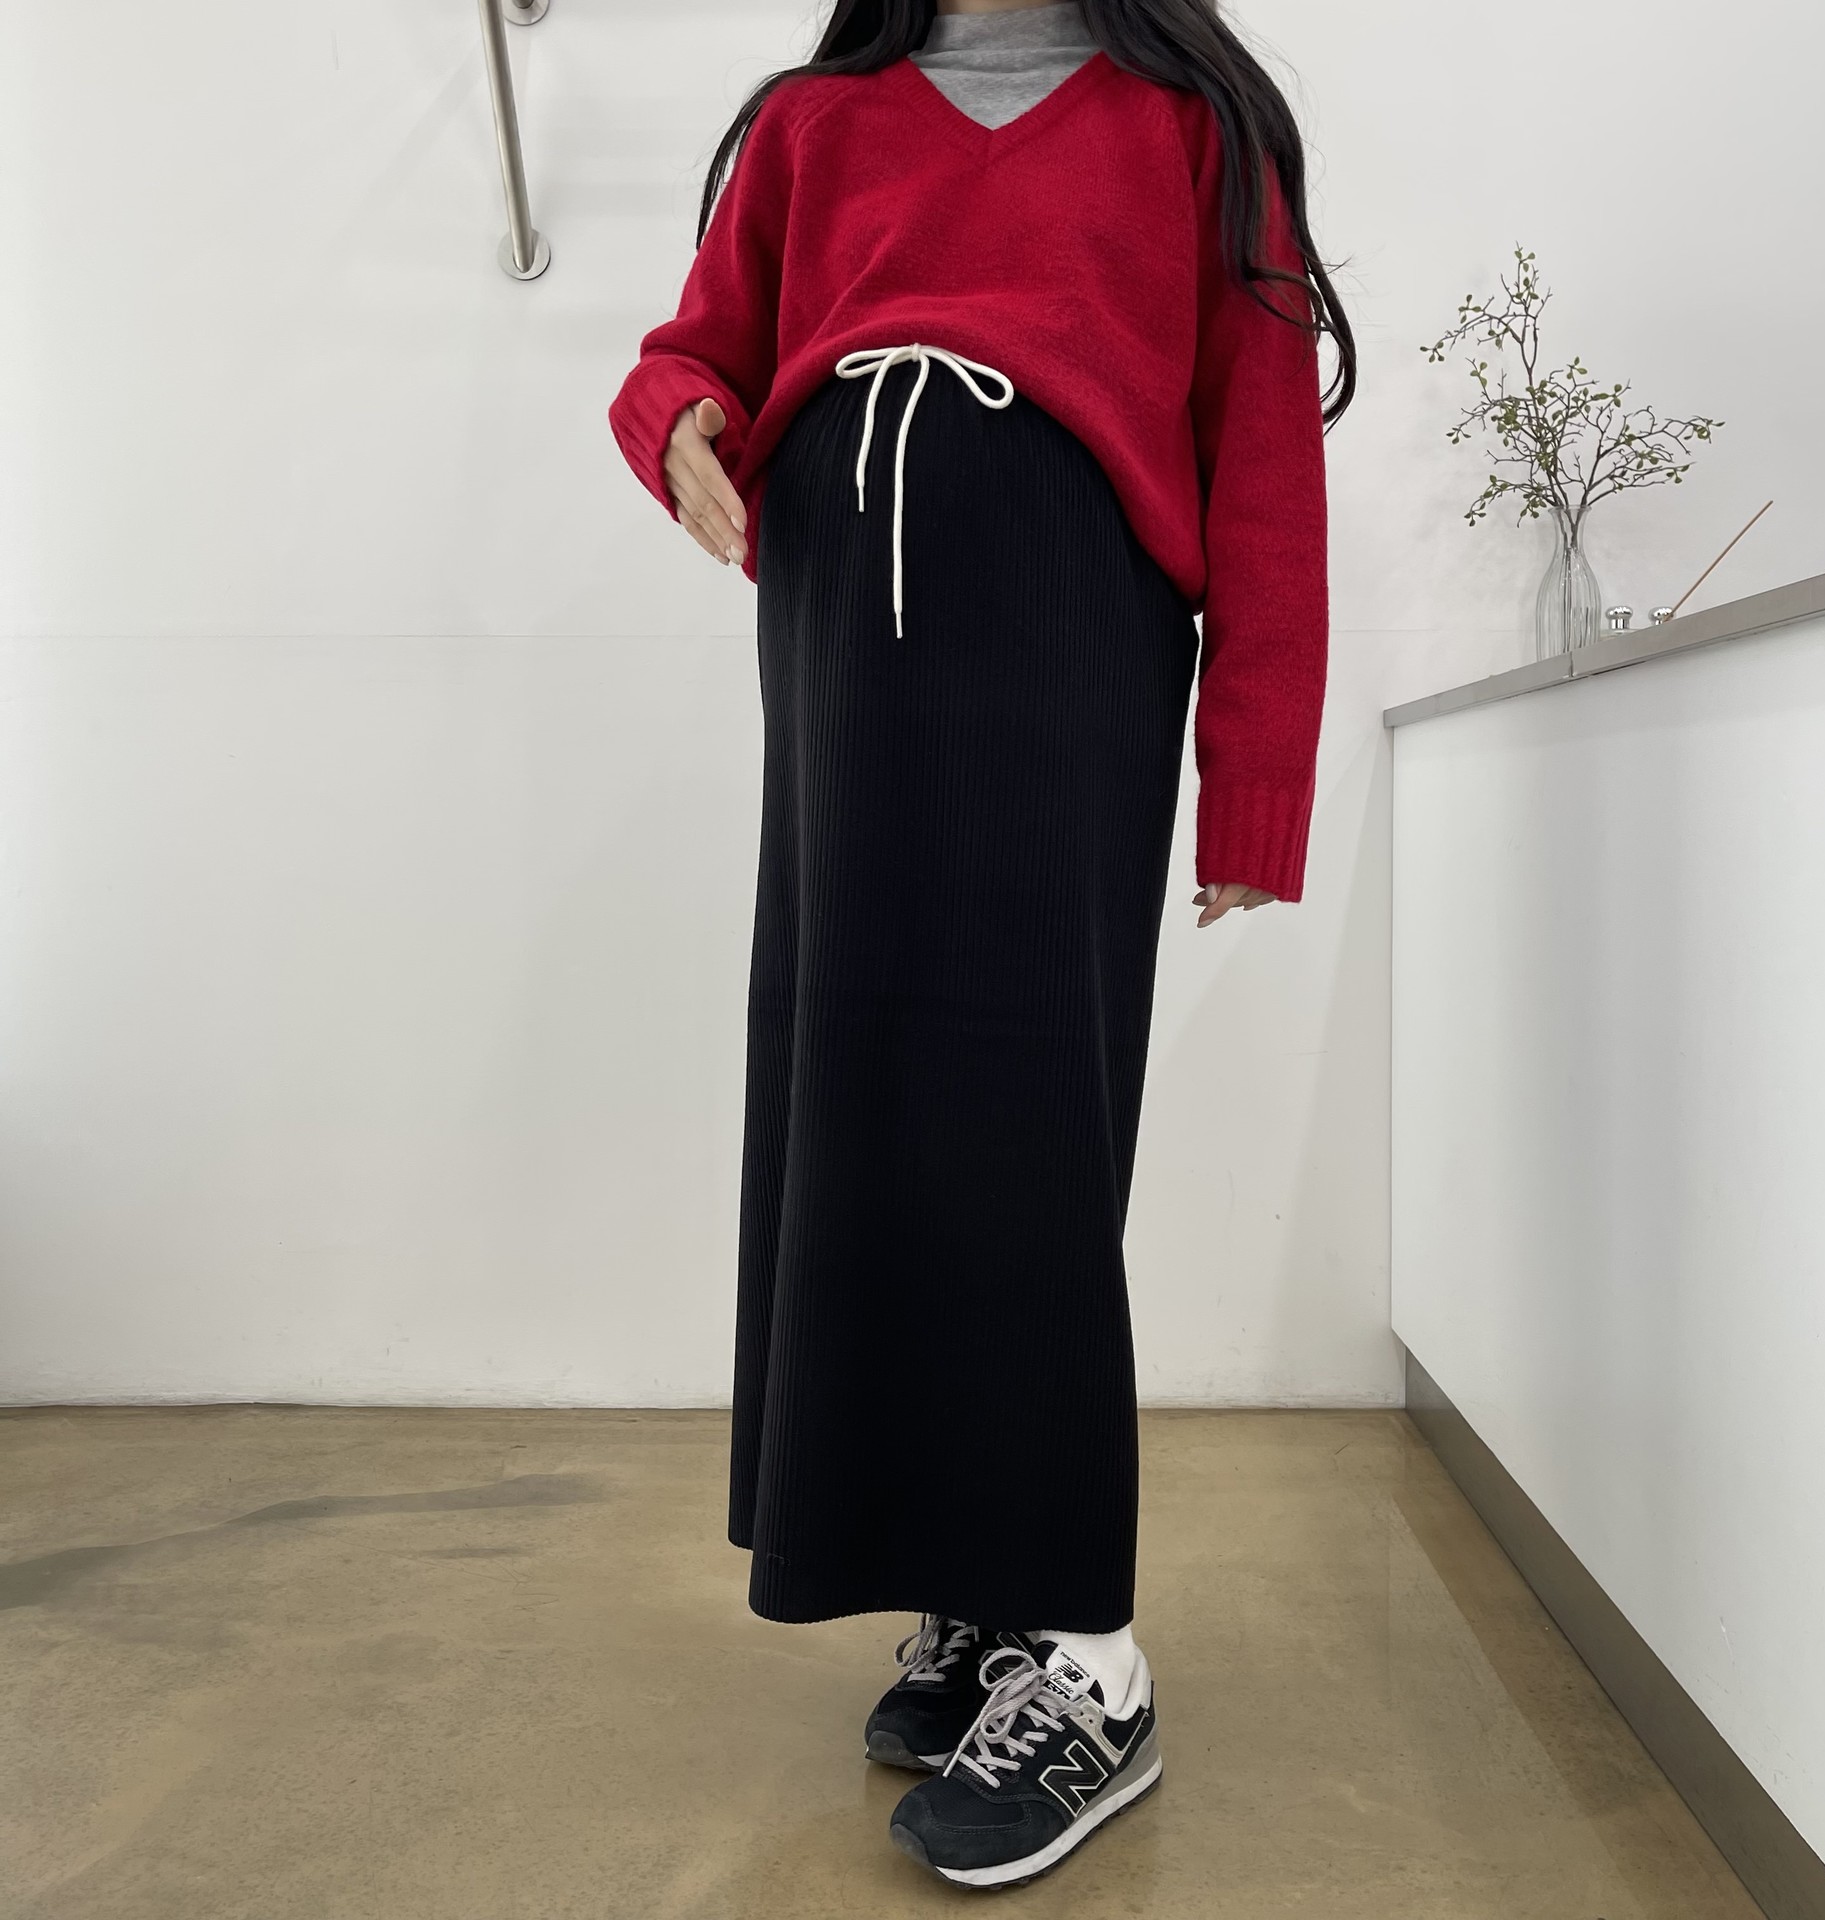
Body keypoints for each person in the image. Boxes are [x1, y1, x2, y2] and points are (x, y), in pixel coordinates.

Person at [609, 0, 1352, 1889]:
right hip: (839, 641)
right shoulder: (815, 123)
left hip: (1071, 621)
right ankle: (972, 1586)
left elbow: (1264, 457)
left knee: (1026, 1118)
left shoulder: (1191, 126)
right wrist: (674, 415)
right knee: (857, 1095)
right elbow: (698, 346)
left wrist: (1255, 786)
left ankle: (1091, 1659)